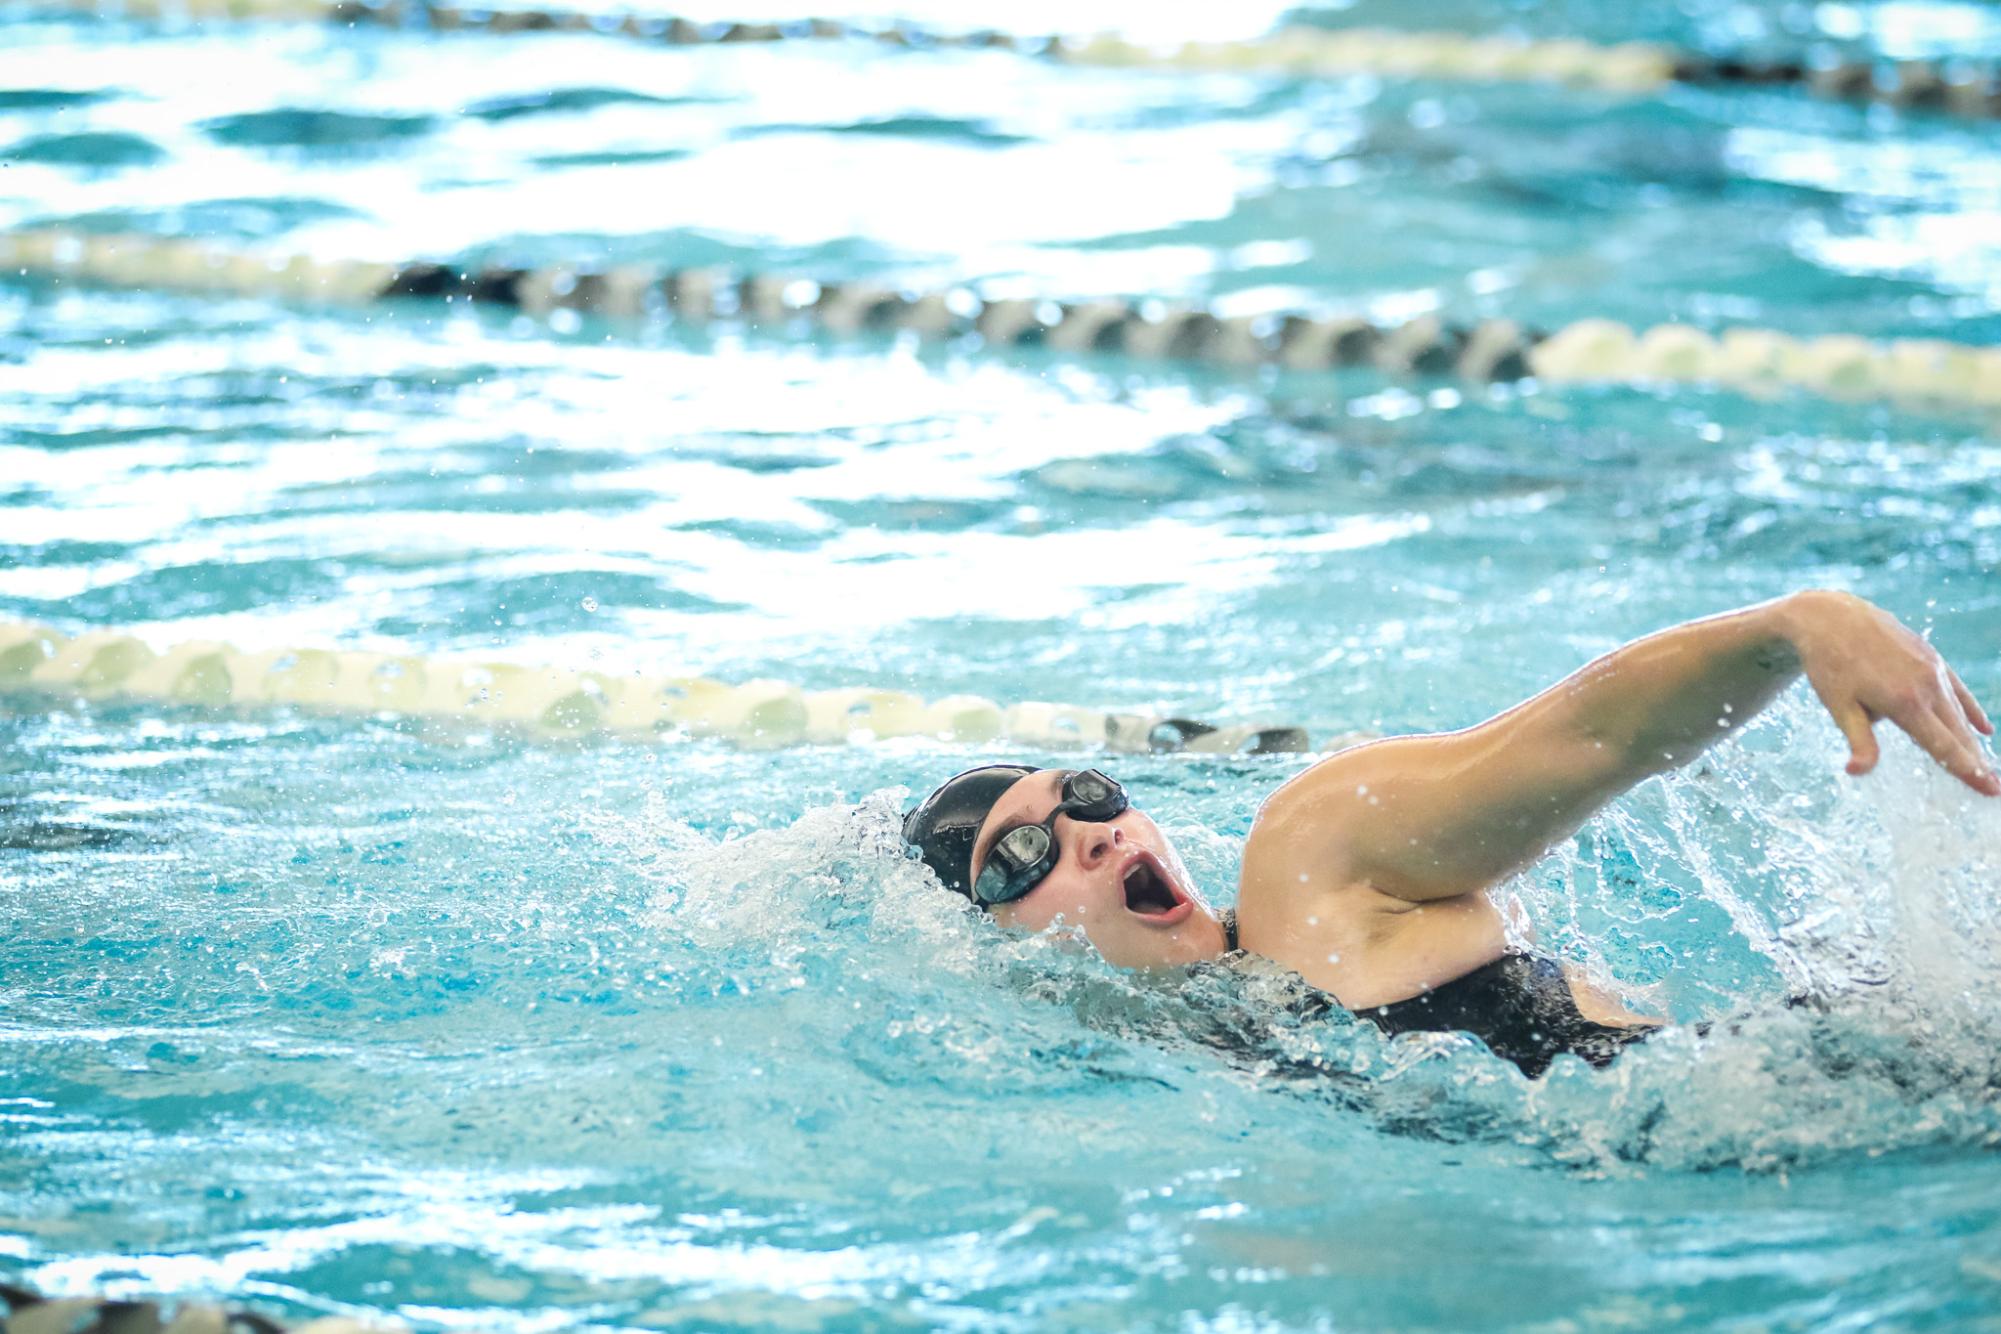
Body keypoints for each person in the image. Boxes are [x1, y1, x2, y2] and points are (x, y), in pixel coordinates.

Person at [902, 590, 1998, 1078]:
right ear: (986, 943)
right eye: (1021, 856)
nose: (1085, 835)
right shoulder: (1191, 1052)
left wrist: (1796, 625)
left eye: (1086, 795)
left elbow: (1586, 737)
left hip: (1881, 1074)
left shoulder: (1307, 861)